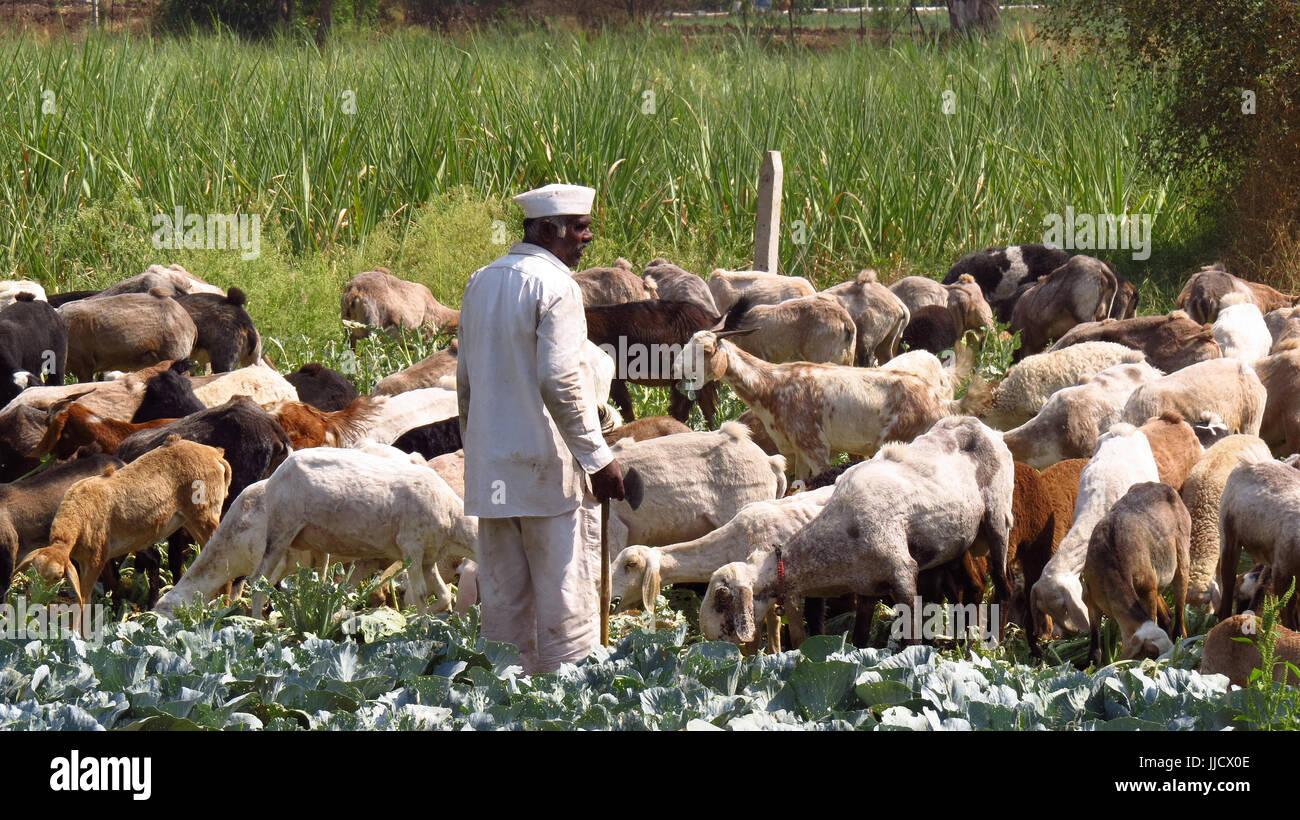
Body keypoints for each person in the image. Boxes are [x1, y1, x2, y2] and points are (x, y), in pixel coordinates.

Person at [456, 183, 626, 675]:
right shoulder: (557, 287)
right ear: (547, 229)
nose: (586, 237)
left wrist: (479, 454)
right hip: (546, 474)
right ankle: (568, 709)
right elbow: (560, 380)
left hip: (494, 475)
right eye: (578, 227)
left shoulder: (481, 281)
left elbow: (465, 383)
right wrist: (598, 457)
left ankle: (508, 710)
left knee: (504, 610)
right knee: (566, 607)